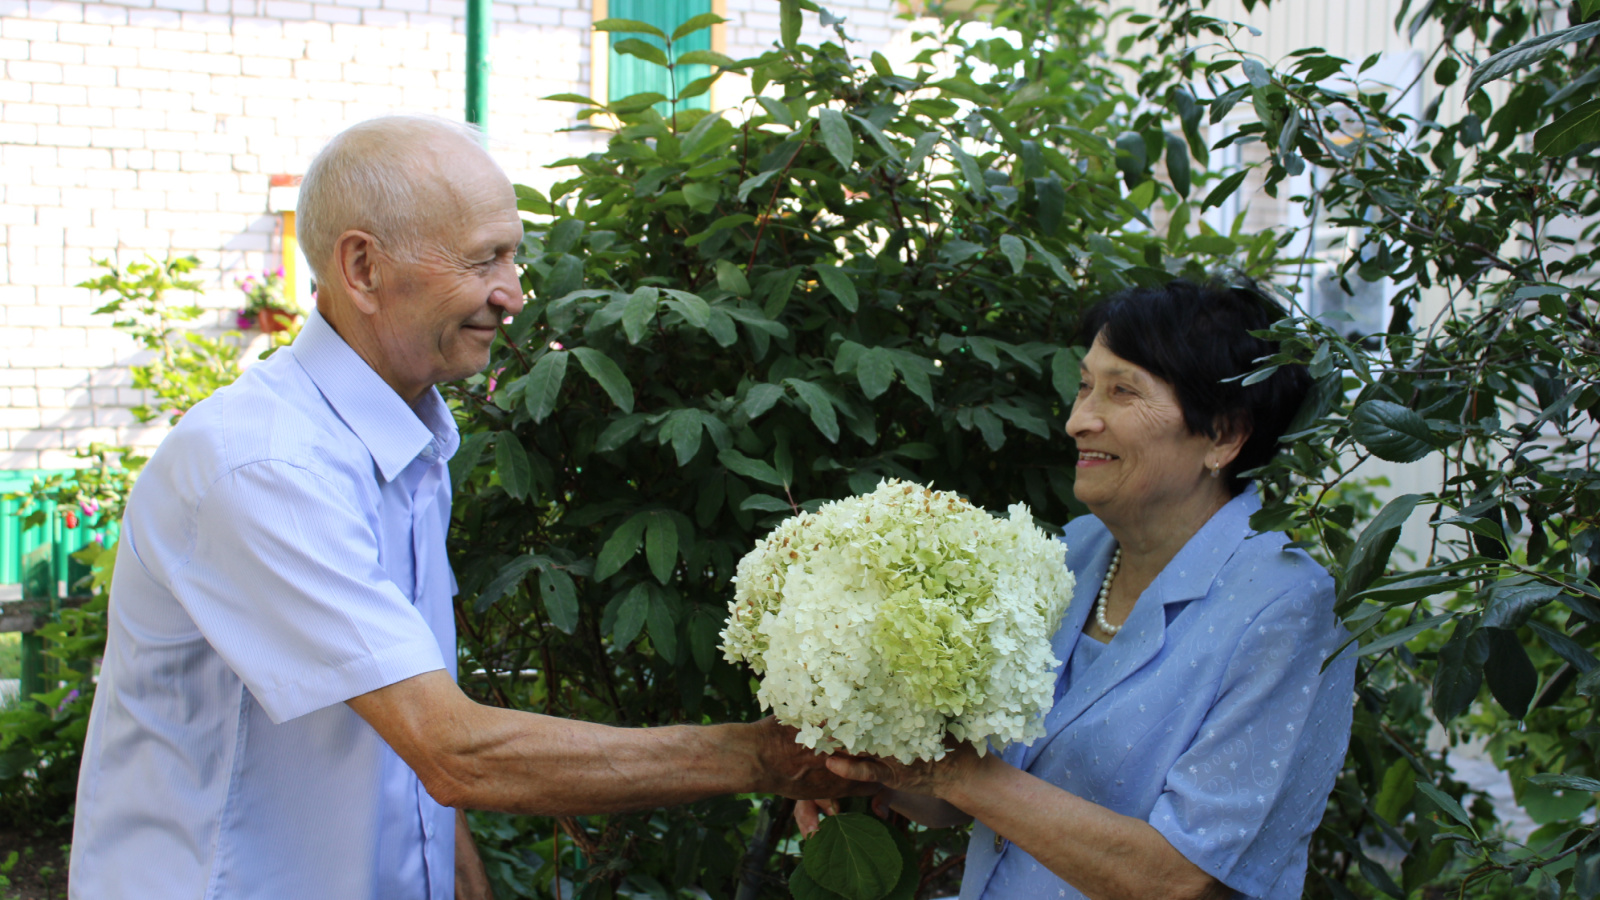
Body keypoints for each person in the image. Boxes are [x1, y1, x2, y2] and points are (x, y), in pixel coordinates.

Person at [68, 115, 861, 900]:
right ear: (362, 267)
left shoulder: (403, 438)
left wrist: (459, 879)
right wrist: (768, 756)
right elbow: (453, 750)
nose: (513, 294)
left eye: (513, 257)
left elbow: (403, 722)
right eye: (485, 259)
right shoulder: (266, 466)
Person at [799, 280, 1357, 900]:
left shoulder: (1287, 606)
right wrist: (867, 767)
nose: (1077, 421)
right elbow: (982, 793)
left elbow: (1184, 881)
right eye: (1085, 386)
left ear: (1224, 435)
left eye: (1122, 392)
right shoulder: (1077, 550)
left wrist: (953, 776)